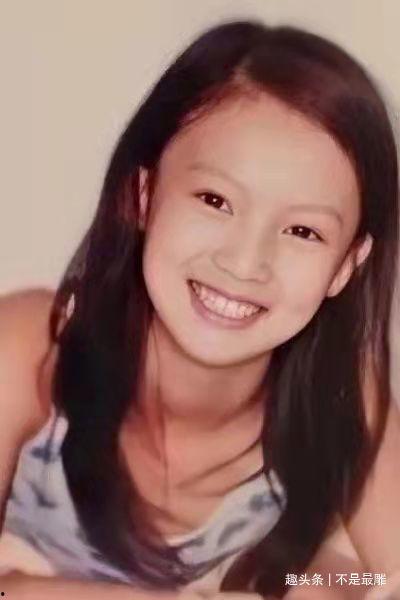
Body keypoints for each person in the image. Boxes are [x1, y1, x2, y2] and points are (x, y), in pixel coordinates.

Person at [0, 19, 399, 600]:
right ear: (143, 196)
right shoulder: (31, 347)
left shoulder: (341, 396)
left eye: (303, 231)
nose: (245, 262)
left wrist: (318, 584)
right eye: (215, 200)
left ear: (346, 265)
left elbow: (380, 578)